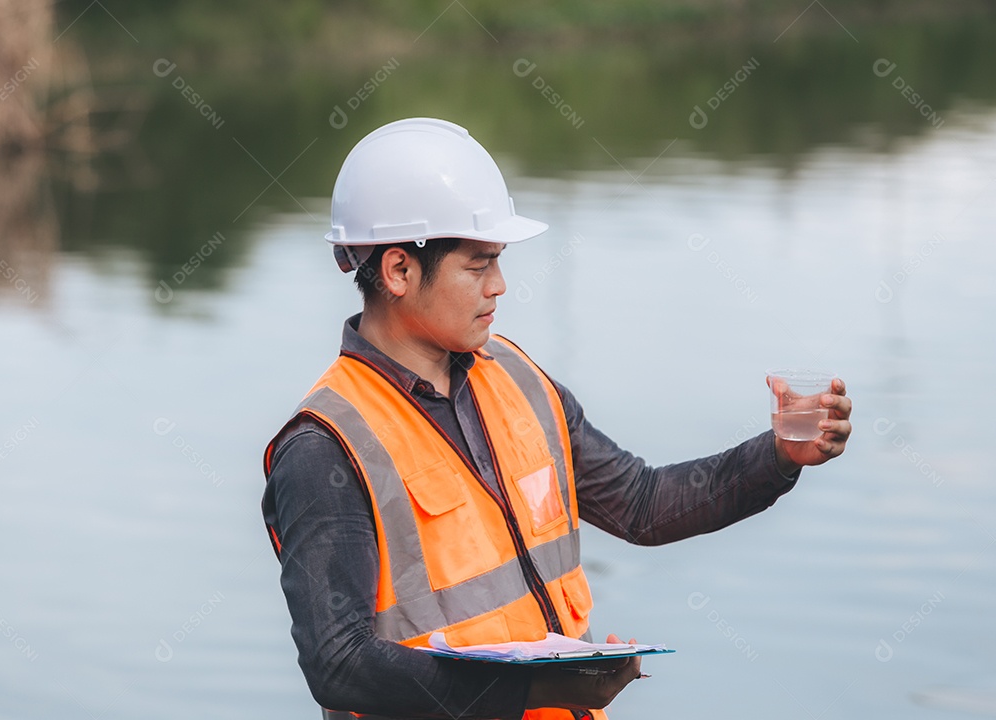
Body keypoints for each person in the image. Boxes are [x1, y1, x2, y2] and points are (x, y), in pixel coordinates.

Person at [261, 117, 852, 720]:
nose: (500, 286)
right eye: (477, 265)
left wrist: (777, 453)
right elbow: (339, 664)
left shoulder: (519, 380)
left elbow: (642, 504)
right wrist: (538, 692)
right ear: (398, 272)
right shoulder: (325, 445)